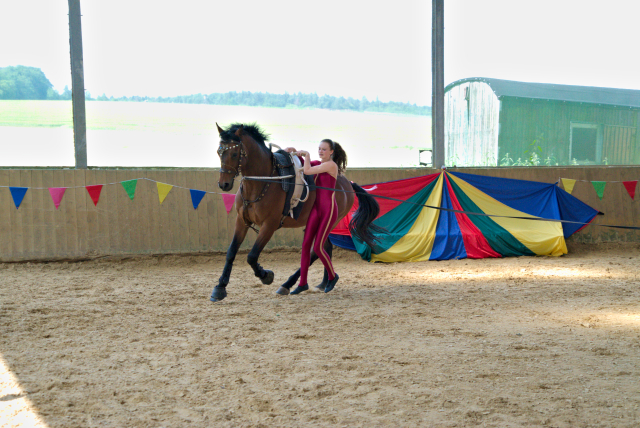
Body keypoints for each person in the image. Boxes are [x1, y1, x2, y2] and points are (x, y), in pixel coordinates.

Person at [284, 139, 347, 294]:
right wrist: (293, 152)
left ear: (331, 152)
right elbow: (302, 165)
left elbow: (307, 171)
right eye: (319, 149)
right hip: (315, 209)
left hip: (328, 210)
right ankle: (302, 283)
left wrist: (306, 155)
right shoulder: (318, 164)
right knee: (306, 245)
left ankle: (332, 276)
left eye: (324, 149)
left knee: (318, 247)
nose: (321, 151)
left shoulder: (331, 165)